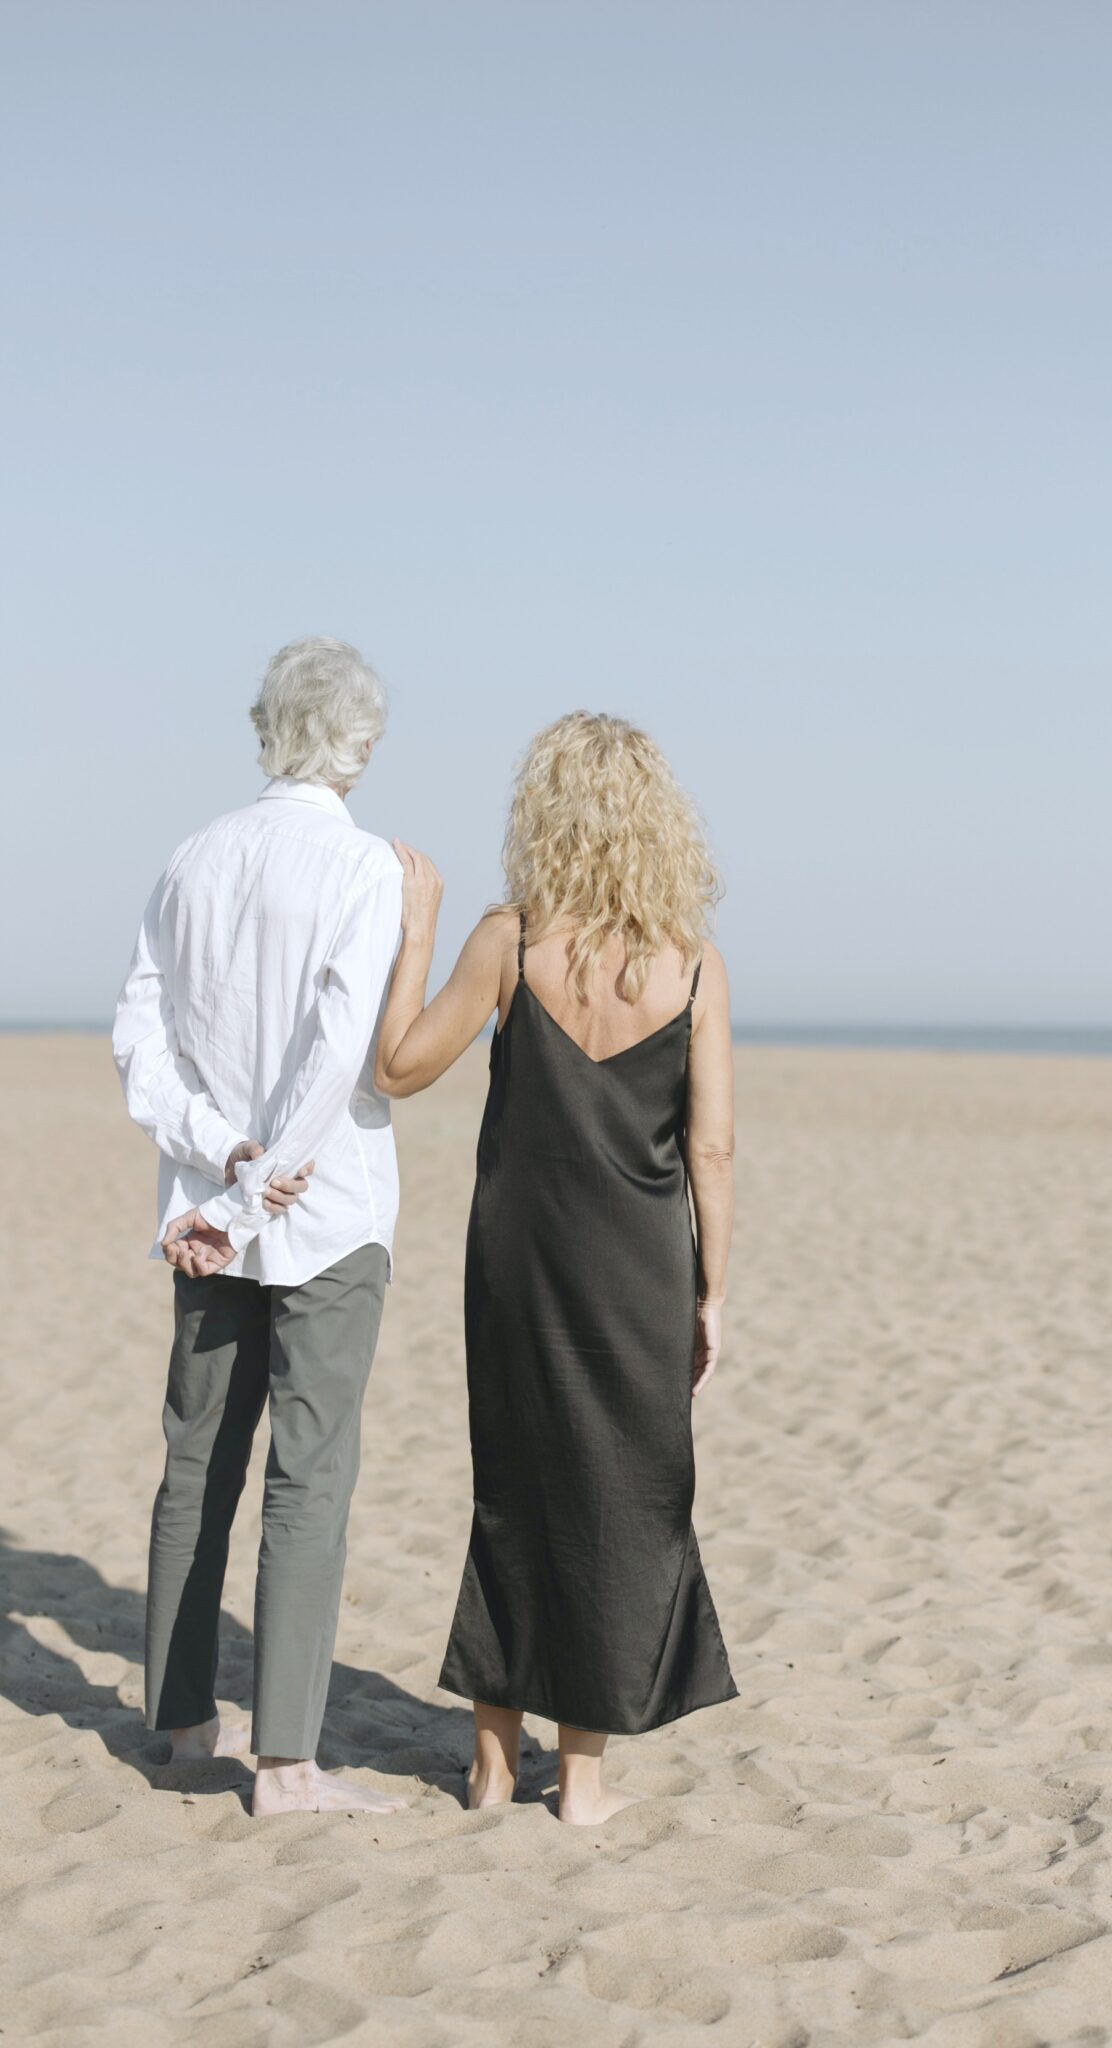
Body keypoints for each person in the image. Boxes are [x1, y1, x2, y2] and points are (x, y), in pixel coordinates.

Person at [375, 711, 738, 1825]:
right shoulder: (692, 961)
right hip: (636, 1268)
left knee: (515, 1491)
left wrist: (416, 933)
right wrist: (710, 1289)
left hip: (517, 1264)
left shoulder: (508, 936)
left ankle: (490, 1763)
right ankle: (581, 1780)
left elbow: (397, 1067)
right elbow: (711, 1148)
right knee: (624, 1501)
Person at [112, 636, 406, 1817]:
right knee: (308, 1474)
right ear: (362, 743)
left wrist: (219, 1159)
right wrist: (255, 1179)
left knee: (195, 1464)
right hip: (316, 1212)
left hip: (210, 1208)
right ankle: (285, 1759)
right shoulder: (364, 864)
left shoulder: (193, 856)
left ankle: (181, 1720)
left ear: (265, 728)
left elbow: (142, 1034)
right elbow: (339, 1054)